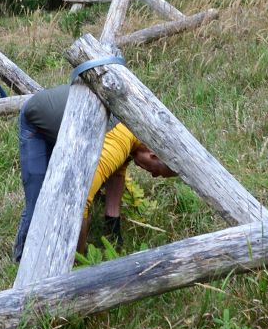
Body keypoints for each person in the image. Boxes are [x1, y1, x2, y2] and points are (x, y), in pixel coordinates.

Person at [12, 84, 176, 261]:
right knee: (40, 201)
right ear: (152, 154)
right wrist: (80, 259)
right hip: (37, 124)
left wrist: (113, 228)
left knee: (55, 193)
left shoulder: (134, 134)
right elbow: (79, 202)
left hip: (69, 125)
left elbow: (117, 175)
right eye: (157, 172)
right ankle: (22, 258)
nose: (152, 175)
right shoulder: (117, 143)